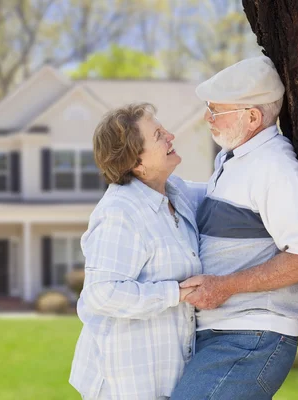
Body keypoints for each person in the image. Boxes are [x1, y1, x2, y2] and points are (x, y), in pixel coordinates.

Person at [170, 56, 298, 400]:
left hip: (252, 337)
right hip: (223, 333)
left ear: (252, 117)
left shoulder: (277, 171)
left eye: (215, 111)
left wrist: (225, 286)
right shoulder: (231, 159)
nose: (206, 118)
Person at [69, 103, 204, 399]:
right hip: (127, 380)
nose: (170, 135)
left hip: (166, 374)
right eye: (158, 135)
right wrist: (177, 293)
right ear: (136, 163)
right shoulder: (121, 212)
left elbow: (226, 193)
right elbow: (101, 293)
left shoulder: (175, 193)